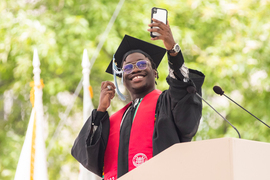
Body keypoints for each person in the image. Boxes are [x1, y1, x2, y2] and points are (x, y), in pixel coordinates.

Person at [71, 19, 205, 180]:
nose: (135, 69)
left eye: (142, 64)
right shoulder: (115, 120)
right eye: (127, 67)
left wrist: (172, 50)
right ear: (122, 77)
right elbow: (89, 156)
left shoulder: (167, 103)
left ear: (155, 72)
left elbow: (182, 89)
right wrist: (100, 112)